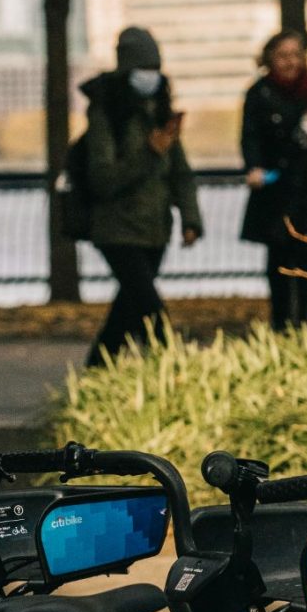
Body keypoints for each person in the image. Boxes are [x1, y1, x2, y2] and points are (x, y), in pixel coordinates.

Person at [80, 25, 203, 367]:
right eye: (142, 68)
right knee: (151, 312)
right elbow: (103, 178)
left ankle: (97, 370)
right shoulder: (106, 112)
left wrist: (191, 219)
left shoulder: (160, 111)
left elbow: (181, 173)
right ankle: (172, 368)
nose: (150, 76)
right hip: (118, 231)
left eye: (154, 68)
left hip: (154, 230)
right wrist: (148, 153)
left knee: (126, 313)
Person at [240, 28, 307, 330]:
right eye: (283, 56)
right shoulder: (259, 94)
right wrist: (254, 168)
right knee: (278, 261)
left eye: (295, 55)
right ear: (270, 59)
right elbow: (250, 137)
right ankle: (281, 326)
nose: (290, 62)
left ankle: (304, 322)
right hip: (275, 191)